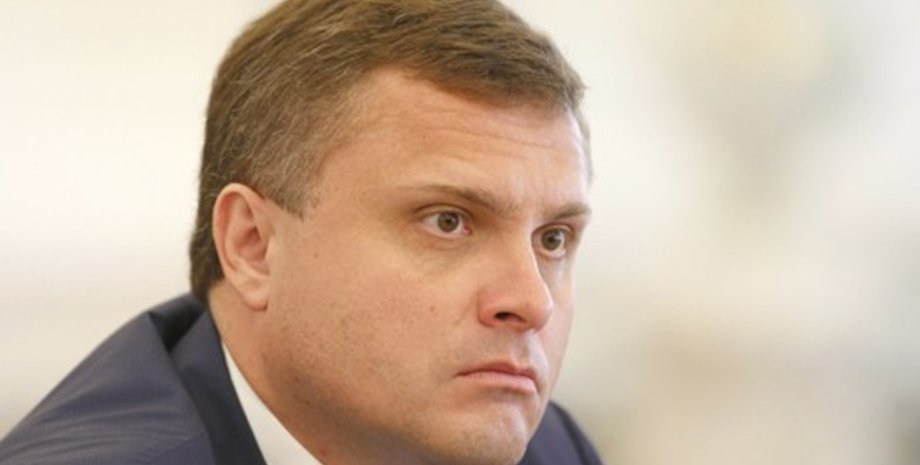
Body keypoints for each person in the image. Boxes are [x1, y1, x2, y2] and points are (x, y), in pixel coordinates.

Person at [0, 1, 603, 464]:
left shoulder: (551, 449)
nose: (532, 302)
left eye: (553, 239)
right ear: (253, 247)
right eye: (447, 222)